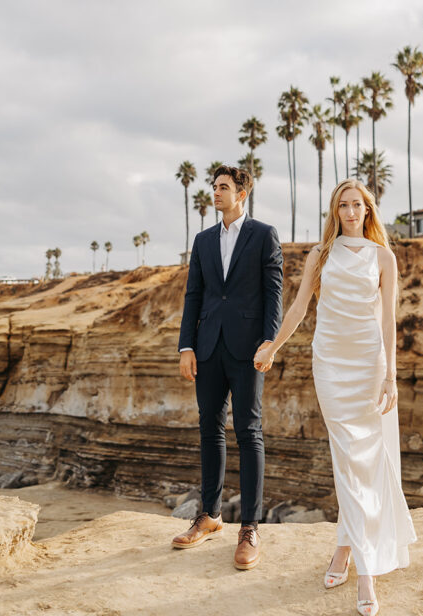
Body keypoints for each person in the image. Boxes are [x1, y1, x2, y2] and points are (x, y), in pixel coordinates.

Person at [254, 178, 415, 616]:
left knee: (360, 463)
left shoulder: (384, 257)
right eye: (342, 205)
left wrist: (392, 377)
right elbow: (300, 307)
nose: (349, 211)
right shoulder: (320, 255)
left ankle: (353, 559)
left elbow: (388, 321)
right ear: (334, 211)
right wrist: (273, 345)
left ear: (368, 210)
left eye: (356, 205)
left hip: (368, 366)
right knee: (348, 460)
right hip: (330, 365)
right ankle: (361, 563)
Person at [173, 165, 283, 571]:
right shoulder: (203, 240)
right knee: (208, 428)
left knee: (249, 431)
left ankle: (250, 527)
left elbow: (275, 291)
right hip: (207, 347)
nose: (216, 193)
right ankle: (210, 515)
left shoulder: (263, 235)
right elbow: (194, 295)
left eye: (223, 187)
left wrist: (269, 342)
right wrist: (187, 346)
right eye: (214, 187)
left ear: (242, 193)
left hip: (249, 348)